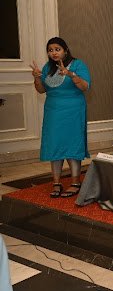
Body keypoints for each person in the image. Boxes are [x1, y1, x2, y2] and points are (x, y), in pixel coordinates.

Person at [29, 37, 91, 198]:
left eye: (57, 49)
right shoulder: (48, 67)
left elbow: (85, 86)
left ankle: (75, 182)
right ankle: (56, 182)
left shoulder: (77, 64)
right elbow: (41, 90)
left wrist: (70, 74)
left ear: (65, 50)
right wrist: (36, 77)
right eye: (50, 50)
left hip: (73, 110)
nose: (54, 53)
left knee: (72, 144)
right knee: (54, 144)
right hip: (53, 111)